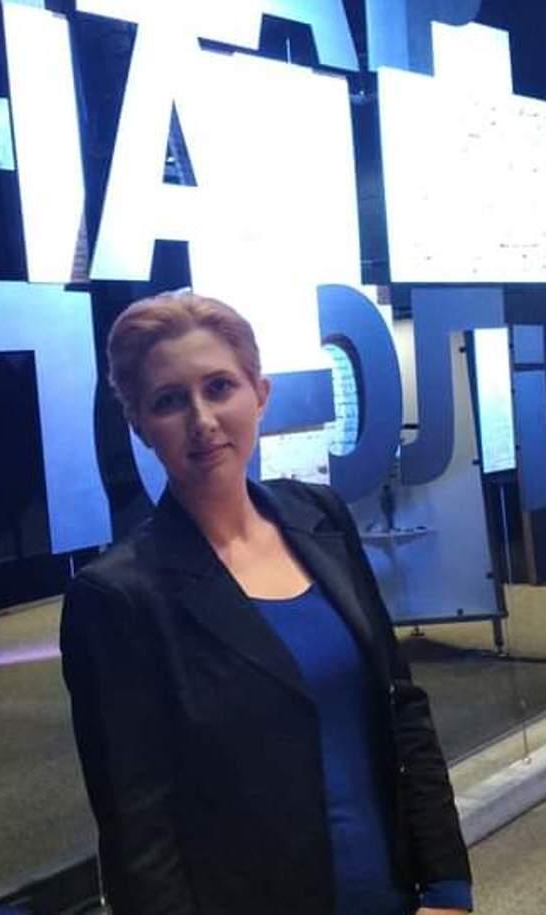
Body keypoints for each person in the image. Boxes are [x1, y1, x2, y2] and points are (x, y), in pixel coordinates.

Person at [61, 291, 473, 915]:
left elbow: (403, 709)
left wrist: (446, 886)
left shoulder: (318, 517)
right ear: (140, 425)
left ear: (260, 393)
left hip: (396, 896)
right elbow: (138, 832)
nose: (202, 419)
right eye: (169, 401)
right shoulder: (118, 597)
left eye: (219, 387)